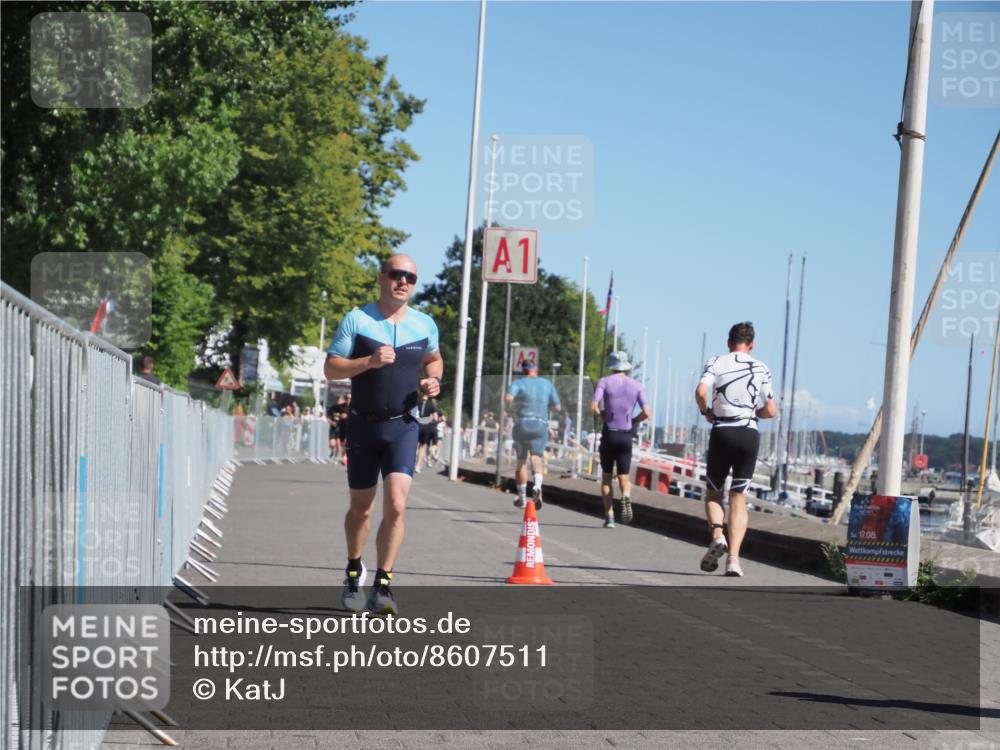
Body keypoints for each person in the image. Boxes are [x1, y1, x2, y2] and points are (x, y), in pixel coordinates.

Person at [324, 254, 442, 615]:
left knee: (396, 504)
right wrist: (368, 362)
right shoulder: (358, 320)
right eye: (396, 274)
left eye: (410, 277)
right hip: (363, 424)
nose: (403, 281)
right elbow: (331, 368)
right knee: (361, 509)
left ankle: (384, 584)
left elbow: (434, 359)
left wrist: (433, 380)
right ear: (382, 278)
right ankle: (353, 569)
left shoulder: (424, 325)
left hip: (403, 425)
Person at [694, 321, 777, 577]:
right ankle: (734, 561)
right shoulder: (762, 367)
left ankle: (718, 536)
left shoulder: (717, 361)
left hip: (723, 432)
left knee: (714, 493)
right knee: (739, 499)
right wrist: (755, 412)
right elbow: (771, 410)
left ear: (729, 343)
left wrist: (705, 410)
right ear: (751, 345)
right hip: (749, 434)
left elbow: (700, 391)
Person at [592, 351, 650, 528]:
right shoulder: (636, 385)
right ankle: (625, 495)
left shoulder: (604, 381)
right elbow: (647, 413)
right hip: (626, 435)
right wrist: (633, 420)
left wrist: (603, 415)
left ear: (612, 365)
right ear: (626, 367)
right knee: (624, 476)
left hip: (610, 432)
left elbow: (593, 405)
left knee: (607, 478)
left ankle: (609, 517)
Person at [506, 361, 561, 510]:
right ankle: (537, 485)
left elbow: (508, 399)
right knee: (536, 457)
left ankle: (522, 497)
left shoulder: (518, 383)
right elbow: (557, 406)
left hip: (522, 424)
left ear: (523, 371)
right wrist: (545, 406)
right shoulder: (547, 384)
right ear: (536, 370)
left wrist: (510, 411)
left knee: (521, 461)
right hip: (540, 424)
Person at [414, 395, 438, 473]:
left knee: (413, 444)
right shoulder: (431, 404)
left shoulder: (417, 401)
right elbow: (435, 418)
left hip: (415, 424)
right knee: (422, 445)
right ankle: (418, 466)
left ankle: (409, 462)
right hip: (425, 426)